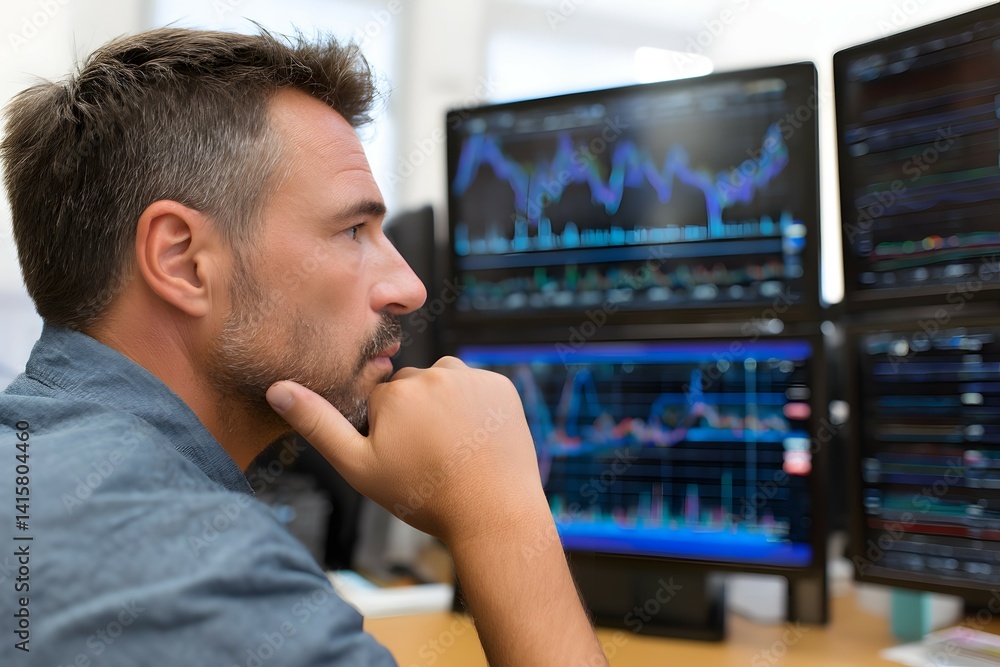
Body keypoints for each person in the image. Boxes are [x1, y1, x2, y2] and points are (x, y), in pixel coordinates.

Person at [0, 28, 607, 666]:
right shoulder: (191, 569)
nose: (410, 287)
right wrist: (500, 516)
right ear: (182, 262)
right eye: (352, 229)